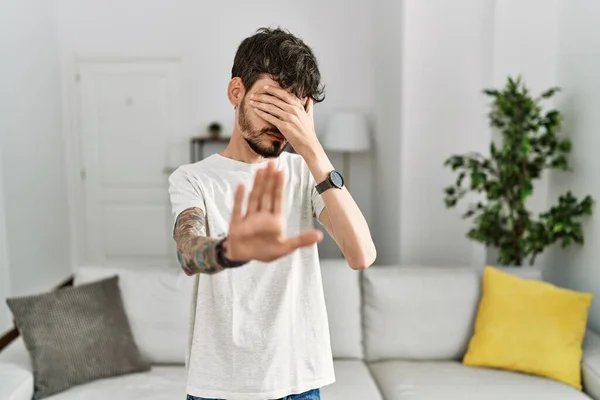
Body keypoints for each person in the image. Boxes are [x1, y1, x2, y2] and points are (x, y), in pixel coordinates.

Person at [168, 27, 376, 400]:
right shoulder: (193, 178)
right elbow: (188, 250)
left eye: (291, 110)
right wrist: (231, 249)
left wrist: (312, 149)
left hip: (297, 381)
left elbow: (362, 255)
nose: (280, 124)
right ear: (237, 92)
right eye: (270, 104)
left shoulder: (303, 174)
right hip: (218, 386)